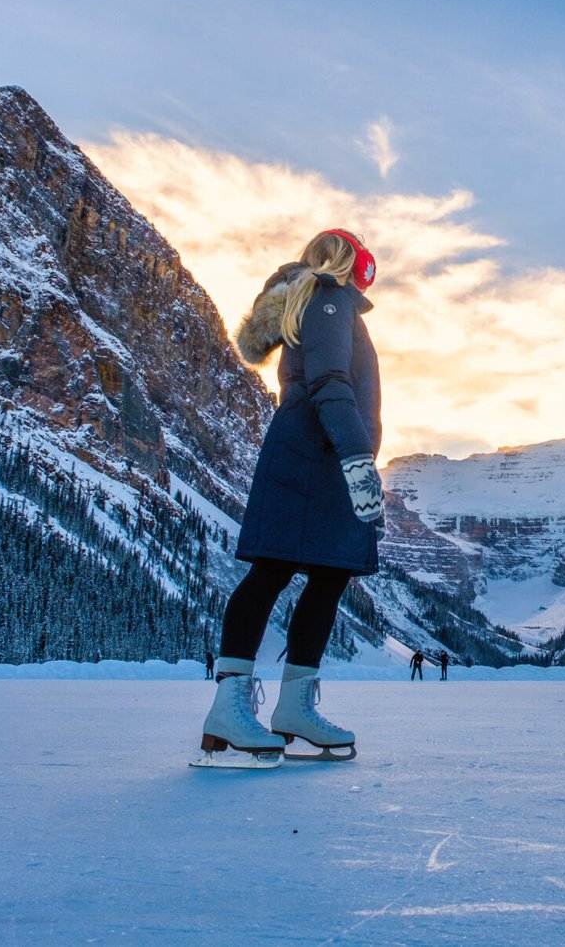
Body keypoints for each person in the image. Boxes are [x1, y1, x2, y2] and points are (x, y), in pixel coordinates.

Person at [195, 229, 383, 765]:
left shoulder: (320, 302)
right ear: (353, 262)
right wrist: (358, 459)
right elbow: (328, 382)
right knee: (273, 571)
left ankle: (294, 708)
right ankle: (229, 709)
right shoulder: (329, 299)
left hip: (318, 455)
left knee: (329, 575)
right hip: (313, 457)